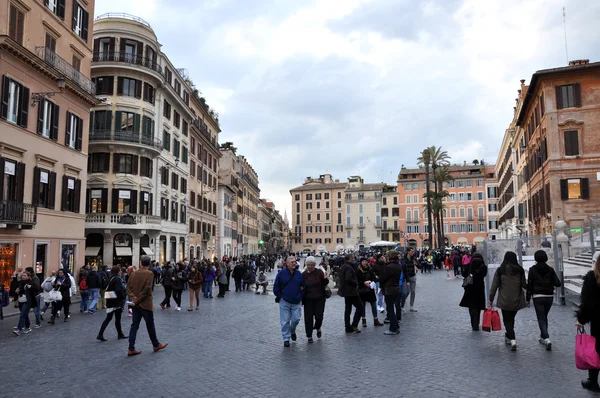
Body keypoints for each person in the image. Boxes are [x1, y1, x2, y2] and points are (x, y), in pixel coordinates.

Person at [126, 256, 168, 356]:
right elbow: (147, 289)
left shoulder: (134, 273)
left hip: (136, 305)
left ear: (141, 263)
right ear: (149, 264)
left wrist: (133, 299)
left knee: (134, 326)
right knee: (150, 325)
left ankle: (131, 348)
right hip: (145, 304)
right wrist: (138, 300)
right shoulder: (149, 273)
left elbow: (128, 288)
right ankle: (156, 344)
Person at [489, 251, 527, 351]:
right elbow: (524, 284)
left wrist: (490, 299)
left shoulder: (501, 270)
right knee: (511, 318)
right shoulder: (520, 270)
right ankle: (508, 335)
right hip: (516, 299)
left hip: (504, 299)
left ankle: (512, 338)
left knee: (507, 319)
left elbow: (494, 286)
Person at [526, 250, 561, 350]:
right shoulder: (550, 269)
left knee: (541, 317)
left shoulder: (532, 270)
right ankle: (543, 336)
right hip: (549, 296)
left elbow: (530, 286)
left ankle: (546, 337)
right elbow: (558, 283)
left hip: (538, 297)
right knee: (544, 316)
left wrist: (527, 299)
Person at [577, 254, 600, 391]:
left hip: (598, 321)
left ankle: (593, 381)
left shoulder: (592, 278)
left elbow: (588, 303)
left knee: (596, 350)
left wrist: (581, 319)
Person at [273, 256, 305, 347]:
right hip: (285, 301)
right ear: (287, 264)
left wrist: (300, 295)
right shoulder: (281, 274)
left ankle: (292, 330)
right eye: (292, 262)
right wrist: (280, 296)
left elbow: (303, 287)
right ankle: (286, 338)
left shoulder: (299, 274)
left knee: (296, 319)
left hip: (296, 301)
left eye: (295, 262)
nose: (294, 263)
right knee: (285, 321)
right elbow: (276, 287)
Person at [96, 266, 127, 342]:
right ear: (117, 271)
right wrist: (122, 296)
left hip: (110, 300)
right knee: (116, 318)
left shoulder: (111, 278)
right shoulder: (117, 279)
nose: (121, 272)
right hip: (116, 301)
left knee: (109, 318)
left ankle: (101, 334)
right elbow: (118, 290)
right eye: (120, 270)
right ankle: (119, 334)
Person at [302, 256, 328, 343]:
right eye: (308, 264)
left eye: (312, 265)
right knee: (308, 318)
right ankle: (309, 336)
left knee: (319, 316)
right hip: (308, 299)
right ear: (306, 265)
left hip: (319, 298)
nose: (310, 266)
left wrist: (325, 278)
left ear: (314, 265)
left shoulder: (319, 272)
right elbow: (300, 285)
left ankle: (318, 327)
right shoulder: (304, 274)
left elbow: (325, 282)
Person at [459, 252, 488, 331]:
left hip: (470, 288)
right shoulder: (483, 267)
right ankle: (477, 323)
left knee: (471, 306)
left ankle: (473, 323)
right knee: (478, 307)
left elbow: (464, 274)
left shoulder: (469, 265)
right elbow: (484, 274)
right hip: (479, 289)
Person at [338, 254, 363, 334]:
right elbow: (348, 278)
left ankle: (347, 327)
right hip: (351, 291)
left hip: (346, 291)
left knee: (348, 310)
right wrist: (356, 283)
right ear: (350, 259)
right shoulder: (349, 267)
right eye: (352, 258)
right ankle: (354, 325)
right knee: (360, 307)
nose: (353, 259)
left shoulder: (344, 266)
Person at [356, 258, 383, 327]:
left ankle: (376, 320)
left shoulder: (370, 269)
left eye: (366, 261)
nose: (365, 263)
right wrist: (363, 283)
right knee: (363, 305)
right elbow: (356, 281)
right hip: (362, 290)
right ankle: (364, 321)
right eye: (363, 261)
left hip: (370, 290)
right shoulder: (358, 270)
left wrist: (370, 281)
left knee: (373, 304)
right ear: (361, 262)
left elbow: (374, 278)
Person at [381, 250, 402, 335]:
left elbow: (383, 278)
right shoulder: (398, 265)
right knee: (393, 308)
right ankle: (396, 326)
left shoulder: (388, 267)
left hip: (389, 289)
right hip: (396, 288)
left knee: (390, 309)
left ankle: (393, 328)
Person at [12, 271, 39, 336]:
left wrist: (31, 287)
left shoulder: (31, 282)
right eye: (22, 275)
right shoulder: (21, 283)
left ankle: (18, 329)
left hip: (27, 301)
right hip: (21, 300)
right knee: (25, 314)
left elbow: (37, 289)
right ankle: (28, 327)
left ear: (28, 276)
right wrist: (16, 291)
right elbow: (16, 290)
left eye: (25, 276)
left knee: (22, 315)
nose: (23, 277)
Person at [401, 247, 419, 313]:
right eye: (411, 251)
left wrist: (416, 264)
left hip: (413, 276)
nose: (413, 252)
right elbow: (402, 267)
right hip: (406, 277)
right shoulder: (403, 259)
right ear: (408, 252)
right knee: (406, 292)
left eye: (413, 251)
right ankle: (402, 305)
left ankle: (411, 306)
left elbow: (420, 265)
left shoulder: (413, 258)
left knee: (413, 292)